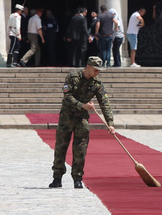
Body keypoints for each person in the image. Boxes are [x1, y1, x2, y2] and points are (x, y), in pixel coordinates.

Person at [49, 56, 115, 189]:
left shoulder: (97, 84)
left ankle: (77, 178)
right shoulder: (73, 77)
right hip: (67, 117)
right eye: (96, 70)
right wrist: (82, 105)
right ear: (88, 67)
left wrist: (110, 123)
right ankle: (57, 177)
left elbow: (105, 103)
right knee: (61, 147)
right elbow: (67, 97)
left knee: (81, 148)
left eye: (99, 70)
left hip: (81, 119)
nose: (98, 72)